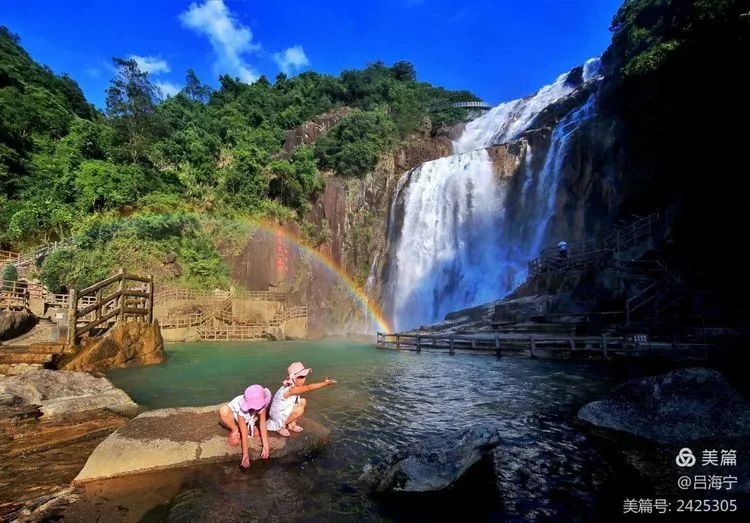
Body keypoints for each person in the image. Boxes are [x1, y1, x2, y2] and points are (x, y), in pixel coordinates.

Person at [266, 361, 336, 437]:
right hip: (277, 414)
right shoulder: (291, 389)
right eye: (300, 377)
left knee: (303, 401)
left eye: (304, 376)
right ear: (293, 379)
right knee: (299, 410)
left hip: (283, 408)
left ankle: (291, 424)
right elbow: (309, 387)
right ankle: (280, 427)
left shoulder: (294, 385)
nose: (303, 379)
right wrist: (325, 383)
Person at [218, 384, 272, 469]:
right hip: (234, 418)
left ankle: (249, 426)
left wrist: (266, 446)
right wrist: (245, 455)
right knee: (223, 411)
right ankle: (235, 429)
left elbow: (262, 423)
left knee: (258, 430)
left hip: (249, 417)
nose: (260, 408)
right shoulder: (241, 411)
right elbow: (244, 435)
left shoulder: (262, 404)